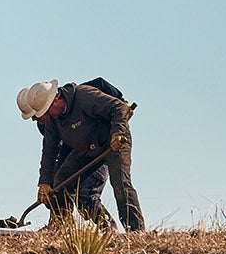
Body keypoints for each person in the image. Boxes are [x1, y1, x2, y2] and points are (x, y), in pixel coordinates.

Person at [21, 79, 144, 231]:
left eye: (45, 112)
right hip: (86, 149)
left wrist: (117, 132)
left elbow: (118, 107)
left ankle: (136, 230)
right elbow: (49, 150)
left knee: (120, 183)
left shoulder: (84, 96)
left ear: (55, 101)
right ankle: (64, 226)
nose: (45, 118)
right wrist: (44, 182)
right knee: (60, 183)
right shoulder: (53, 120)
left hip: (113, 141)